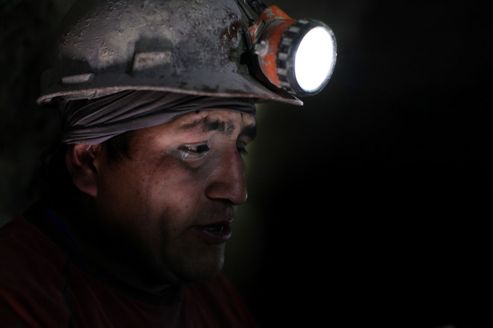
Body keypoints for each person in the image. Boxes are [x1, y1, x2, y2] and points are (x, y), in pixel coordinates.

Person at [0, 0, 335, 326]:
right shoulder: (19, 296)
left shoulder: (206, 296)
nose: (236, 189)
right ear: (89, 162)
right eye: (196, 149)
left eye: (240, 147)